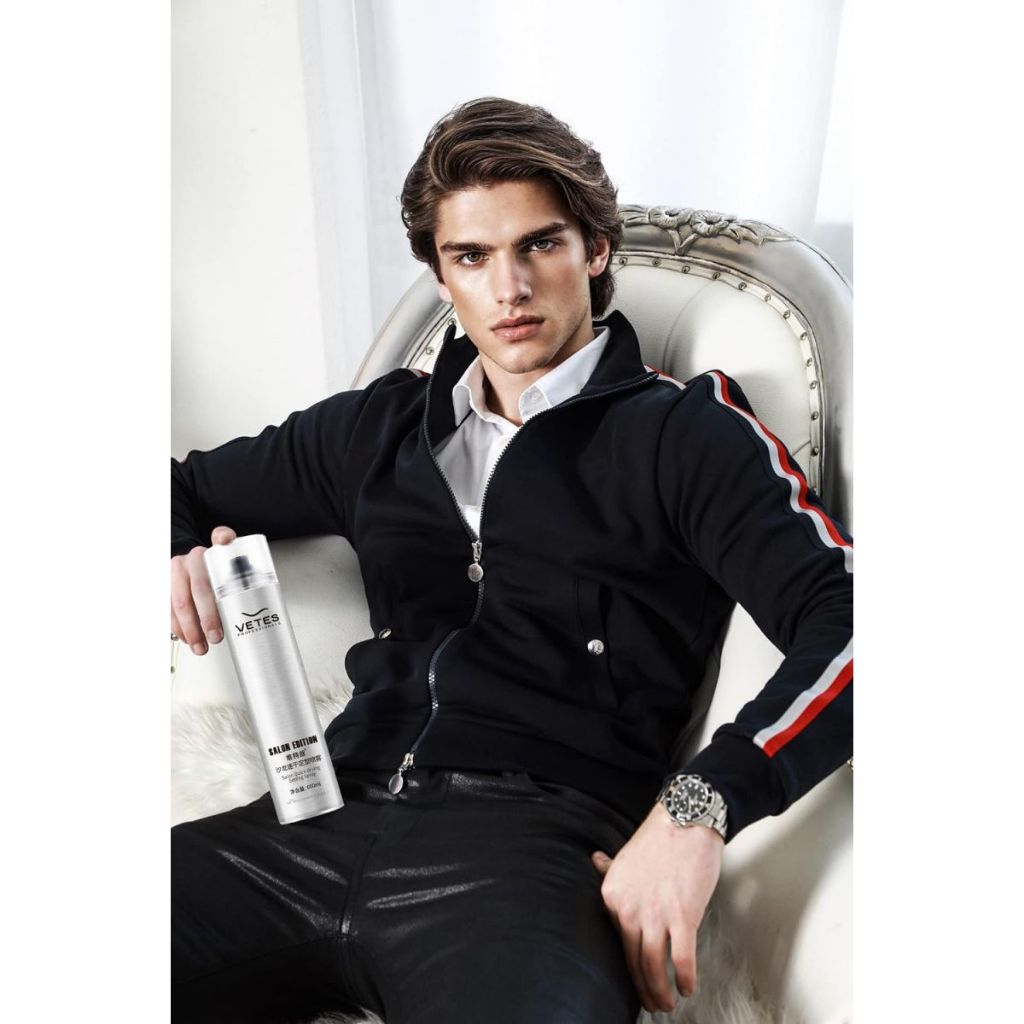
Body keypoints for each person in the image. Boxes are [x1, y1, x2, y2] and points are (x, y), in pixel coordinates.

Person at [170, 96, 853, 1023]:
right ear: (439, 272)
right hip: (310, 826)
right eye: (472, 257)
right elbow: (180, 484)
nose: (510, 287)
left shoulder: (685, 434)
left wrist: (700, 807)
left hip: (527, 860)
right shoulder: (379, 426)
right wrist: (173, 546)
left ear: (595, 249)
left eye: (540, 244)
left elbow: (852, 622)